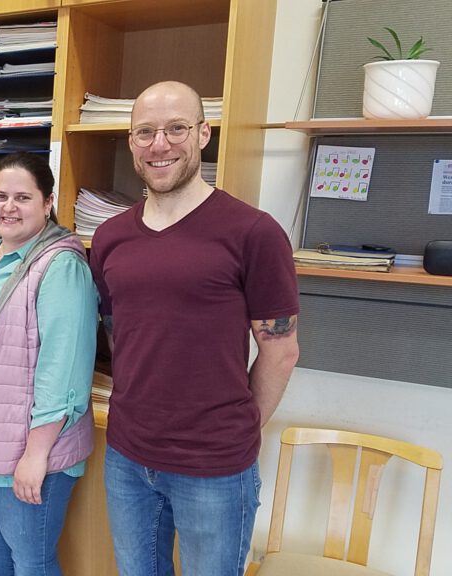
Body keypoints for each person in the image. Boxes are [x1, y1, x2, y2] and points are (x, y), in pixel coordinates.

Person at [88, 80, 300, 576]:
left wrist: (238, 430)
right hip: (127, 455)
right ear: (132, 142)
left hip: (215, 466)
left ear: (204, 133)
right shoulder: (110, 237)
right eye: (145, 132)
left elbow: (280, 349)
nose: (159, 144)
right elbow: (120, 331)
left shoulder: (253, 232)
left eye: (176, 128)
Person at [0, 152, 98, 576]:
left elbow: (62, 369)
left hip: (28, 445)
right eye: (0, 196)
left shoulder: (61, 266)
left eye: (23, 197)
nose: (9, 207)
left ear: (47, 202)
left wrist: (36, 455)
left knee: (31, 558)